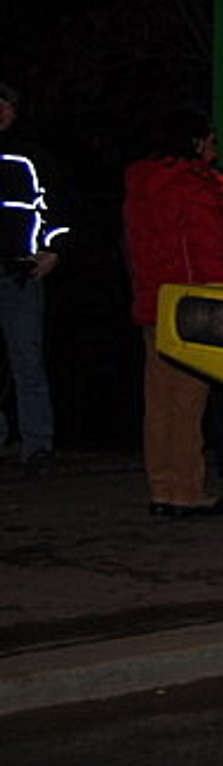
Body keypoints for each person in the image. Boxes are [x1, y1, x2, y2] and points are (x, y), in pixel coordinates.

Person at [122, 106, 223, 516]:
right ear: (194, 142)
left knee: (158, 402)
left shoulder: (141, 183)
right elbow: (210, 253)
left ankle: (162, 489)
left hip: (153, 303)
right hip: (193, 309)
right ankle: (187, 492)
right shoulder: (195, 187)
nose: (213, 147)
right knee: (187, 404)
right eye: (210, 139)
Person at [0, 78, 66, 476]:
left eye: (4, 103)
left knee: (27, 360)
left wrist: (54, 252)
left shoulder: (31, 156)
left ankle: (37, 445)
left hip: (18, 273)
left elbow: (56, 208)